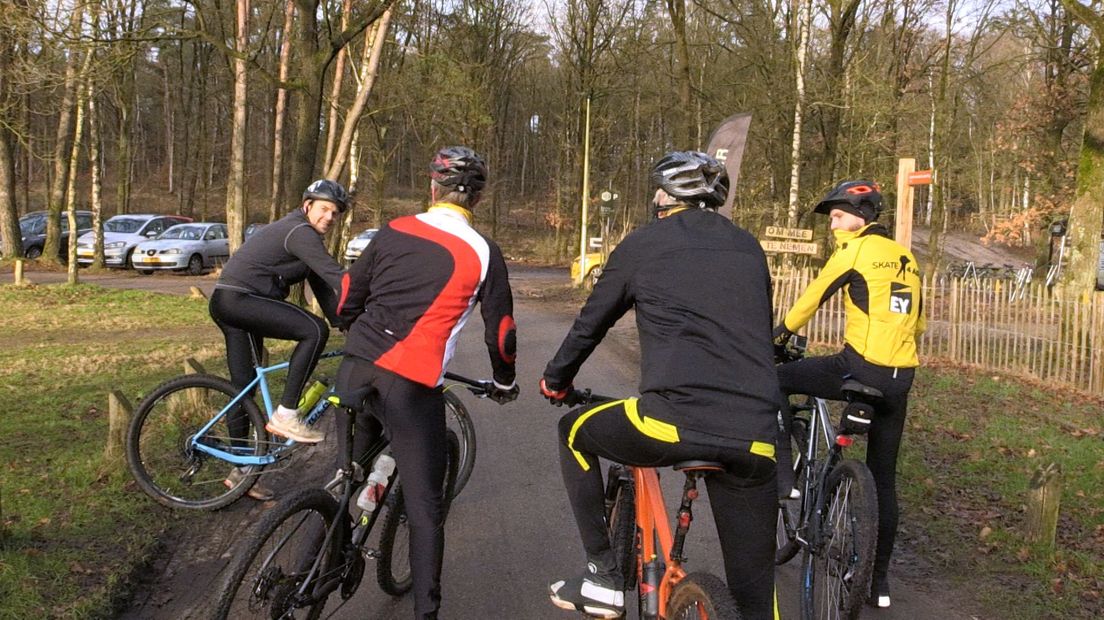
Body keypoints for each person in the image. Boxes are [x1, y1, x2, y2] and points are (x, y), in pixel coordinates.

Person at [540, 151, 780, 620]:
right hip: (756, 435)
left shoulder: (643, 244)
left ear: (667, 199)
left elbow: (591, 325)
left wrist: (555, 379)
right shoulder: (749, 247)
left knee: (573, 430)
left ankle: (602, 578)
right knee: (755, 595)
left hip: (672, 422)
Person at [334, 146, 519, 620]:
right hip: (411, 383)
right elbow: (501, 333)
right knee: (424, 506)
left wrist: (351, 323)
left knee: (348, 473)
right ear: (476, 200)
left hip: (357, 364)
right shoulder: (483, 251)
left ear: (431, 189)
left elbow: (349, 294)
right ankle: (426, 612)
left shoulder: (394, 229)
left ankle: (323, 554)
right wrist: (503, 381)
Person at [773, 180, 925, 609]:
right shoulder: (907, 258)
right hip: (901, 377)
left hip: (857, 365)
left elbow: (812, 298)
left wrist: (781, 333)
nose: (834, 225)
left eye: (838, 216)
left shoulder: (854, 252)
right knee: (883, 479)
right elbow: (919, 324)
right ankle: (878, 583)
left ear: (862, 215)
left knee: (776, 379)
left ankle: (785, 480)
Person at [209, 179, 349, 499]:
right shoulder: (299, 231)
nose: (329, 216)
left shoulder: (302, 235)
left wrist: (345, 323)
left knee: (243, 388)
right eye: (324, 208)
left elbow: (324, 288)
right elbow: (335, 275)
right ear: (307, 205)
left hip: (228, 302)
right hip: (241, 301)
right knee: (313, 331)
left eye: (335, 213)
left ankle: (241, 473)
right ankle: (287, 414)